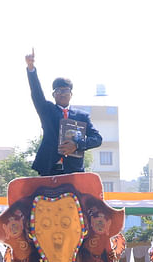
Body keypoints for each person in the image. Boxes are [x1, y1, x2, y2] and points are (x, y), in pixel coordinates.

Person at [24, 49, 102, 177]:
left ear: (71, 94)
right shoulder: (47, 110)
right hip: (49, 168)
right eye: (58, 91)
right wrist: (31, 68)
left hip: (74, 170)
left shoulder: (82, 116)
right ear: (54, 95)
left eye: (65, 91)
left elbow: (97, 139)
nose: (62, 94)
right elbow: (36, 93)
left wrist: (77, 145)